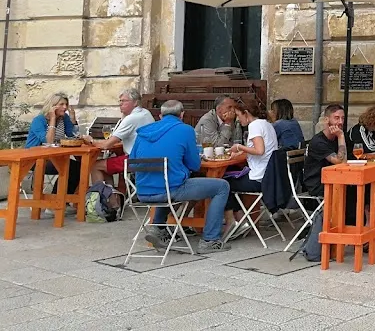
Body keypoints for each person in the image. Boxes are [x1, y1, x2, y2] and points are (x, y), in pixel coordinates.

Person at [130, 100, 230, 253]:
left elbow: (132, 163)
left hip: (142, 191)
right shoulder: (185, 130)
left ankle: (158, 228)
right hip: (170, 190)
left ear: (160, 115)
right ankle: (210, 239)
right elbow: (195, 165)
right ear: (182, 114)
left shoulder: (143, 132)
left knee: (167, 182)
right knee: (221, 186)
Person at [299, 104, 347, 262]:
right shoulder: (318, 142)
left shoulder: (337, 137)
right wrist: (341, 137)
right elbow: (340, 162)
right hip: (317, 184)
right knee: (352, 193)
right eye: (336, 118)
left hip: (335, 181)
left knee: (362, 190)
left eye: (342, 118)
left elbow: (345, 161)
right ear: (327, 120)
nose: (340, 122)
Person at [224, 99, 279, 238]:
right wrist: (243, 152)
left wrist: (239, 147)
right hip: (268, 176)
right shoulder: (266, 124)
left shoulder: (254, 125)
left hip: (259, 178)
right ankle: (242, 220)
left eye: (238, 115)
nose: (237, 119)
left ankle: (234, 221)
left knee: (223, 183)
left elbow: (260, 150)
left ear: (246, 113)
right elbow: (263, 149)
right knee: (230, 180)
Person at [85, 88, 155, 185]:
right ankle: (113, 197)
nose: (120, 104)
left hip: (135, 160)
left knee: (95, 166)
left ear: (135, 103)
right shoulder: (146, 113)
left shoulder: (131, 118)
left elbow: (106, 145)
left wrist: (91, 141)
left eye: (124, 101)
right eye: (120, 101)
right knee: (107, 166)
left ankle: (101, 197)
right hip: (151, 159)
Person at [25, 93, 82, 195]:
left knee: (78, 167)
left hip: (54, 157)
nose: (65, 107)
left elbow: (73, 136)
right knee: (70, 167)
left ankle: (60, 200)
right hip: (35, 159)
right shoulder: (39, 120)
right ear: (52, 106)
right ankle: (55, 202)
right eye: (61, 104)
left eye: (66, 104)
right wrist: (52, 119)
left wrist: (73, 119)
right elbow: (48, 141)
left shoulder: (64, 118)